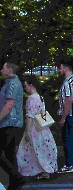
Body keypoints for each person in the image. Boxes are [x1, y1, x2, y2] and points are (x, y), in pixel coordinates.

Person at [17, 75, 58, 179]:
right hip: (42, 127)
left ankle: (33, 171)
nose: (25, 88)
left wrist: (27, 131)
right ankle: (44, 170)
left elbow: (30, 116)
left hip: (34, 128)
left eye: (26, 86)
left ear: (31, 85)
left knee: (29, 150)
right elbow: (41, 114)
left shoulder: (31, 99)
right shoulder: (40, 97)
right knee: (41, 149)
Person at [0, 62, 27, 190]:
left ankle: (18, 177)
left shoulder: (13, 83)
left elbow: (9, 104)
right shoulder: (9, 82)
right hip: (9, 123)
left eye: (3, 68)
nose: (1, 70)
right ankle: (15, 184)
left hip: (10, 122)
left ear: (9, 69)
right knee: (9, 153)